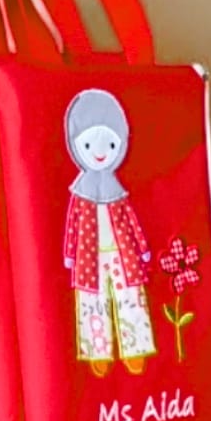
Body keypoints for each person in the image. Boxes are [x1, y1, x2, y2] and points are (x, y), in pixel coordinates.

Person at [63, 88, 156, 376]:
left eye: (111, 144)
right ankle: (97, 351)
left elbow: (132, 221)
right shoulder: (80, 194)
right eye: (89, 145)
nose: (101, 153)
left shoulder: (118, 193)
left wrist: (143, 248)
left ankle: (136, 349)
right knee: (92, 301)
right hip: (88, 258)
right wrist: (69, 254)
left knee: (130, 295)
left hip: (122, 254)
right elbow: (72, 225)